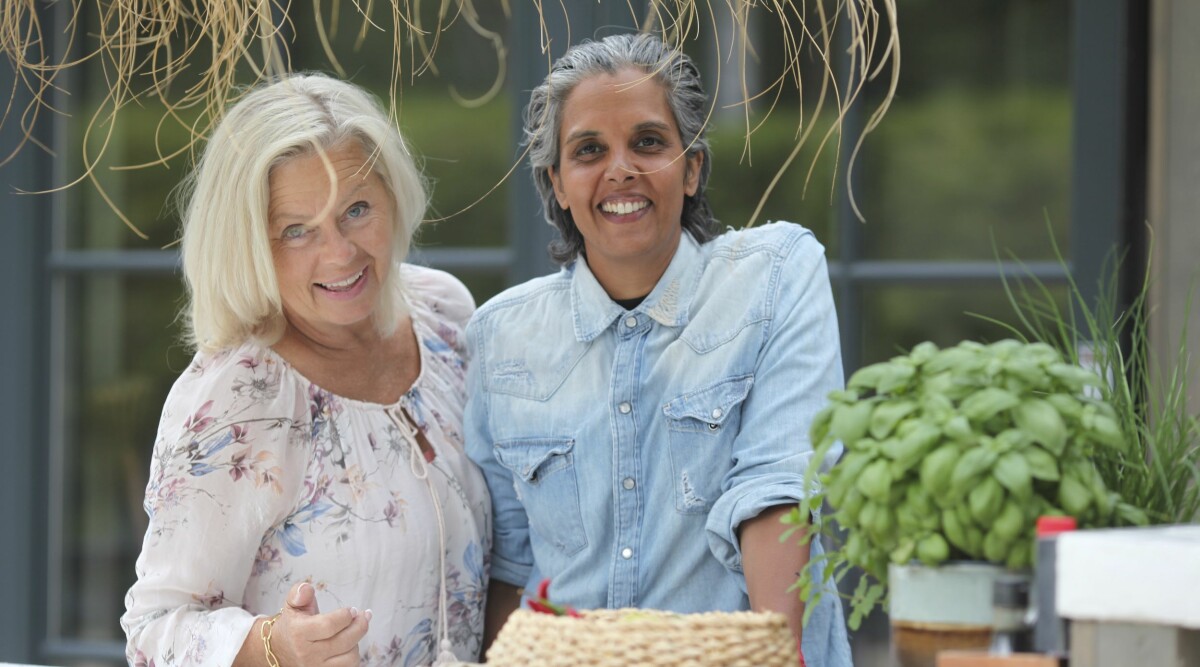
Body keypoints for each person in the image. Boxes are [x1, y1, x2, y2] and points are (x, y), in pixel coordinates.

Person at [464, 33, 852, 666]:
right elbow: (510, 567)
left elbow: (777, 487)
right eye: (589, 150)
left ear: (692, 167)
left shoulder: (776, 274)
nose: (621, 168)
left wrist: (771, 656)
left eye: (648, 142)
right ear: (557, 183)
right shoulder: (499, 335)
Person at [121, 73, 490, 667]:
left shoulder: (445, 314)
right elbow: (154, 629)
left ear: (393, 196)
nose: (340, 254)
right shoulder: (235, 397)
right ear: (248, 244)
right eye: (297, 230)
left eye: (357, 209)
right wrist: (274, 647)